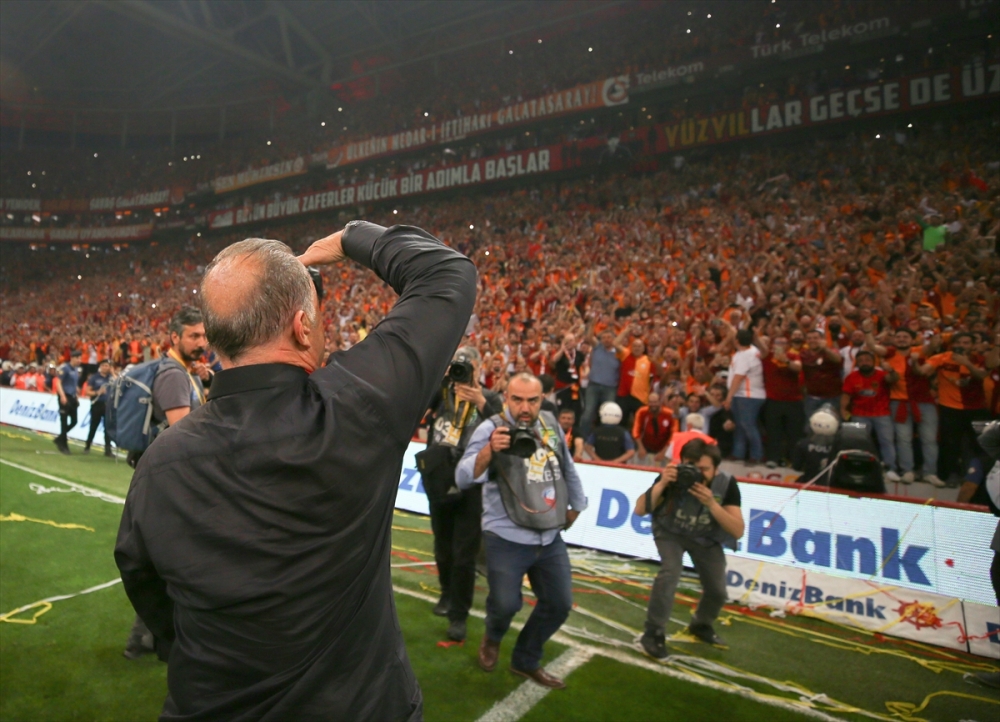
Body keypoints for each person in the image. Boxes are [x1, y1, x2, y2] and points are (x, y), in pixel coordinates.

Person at [115, 221, 476, 721]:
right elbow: (447, 274)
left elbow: (143, 579)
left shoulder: (161, 461)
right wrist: (351, 237)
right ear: (302, 326)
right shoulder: (357, 407)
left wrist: (194, 652)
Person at [456, 372, 588, 690]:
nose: (524, 407)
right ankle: (493, 638)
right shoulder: (491, 427)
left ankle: (526, 660)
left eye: (532, 399)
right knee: (504, 605)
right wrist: (490, 449)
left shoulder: (550, 425)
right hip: (506, 535)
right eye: (517, 399)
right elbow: (462, 476)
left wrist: (576, 505)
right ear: (505, 398)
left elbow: (566, 465)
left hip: (548, 533)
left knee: (558, 603)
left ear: (542, 399)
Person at [635, 438, 744, 658]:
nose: (697, 474)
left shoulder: (726, 484)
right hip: (670, 532)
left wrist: (712, 503)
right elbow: (640, 510)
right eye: (691, 466)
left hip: (705, 538)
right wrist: (662, 484)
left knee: (717, 590)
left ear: (716, 469)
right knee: (670, 573)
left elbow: (737, 530)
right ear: (682, 462)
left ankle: (701, 624)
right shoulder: (674, 476)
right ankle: (653, 632)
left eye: (704, 469)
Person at [422, 346, 502, 643]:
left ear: (478, 370)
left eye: (466, 368)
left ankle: (459, 615)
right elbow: (417, 407)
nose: (461, 374)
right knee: (442, 545)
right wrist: (438, 378)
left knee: (464, 554)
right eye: (457, 367)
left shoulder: (490, 398)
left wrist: (481, 401)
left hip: (472, 483)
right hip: (440, 478)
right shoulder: (441, 393)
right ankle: (445, 594)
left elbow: (504, 428)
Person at [919, 333, 992, 484]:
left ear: (972, 345)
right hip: (949, 407)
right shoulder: (942, 357)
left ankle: (983, 477)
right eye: (958, 342)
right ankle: (950, 475)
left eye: (966, 343)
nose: (962, 345)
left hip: (976, 408)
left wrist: (967, 363)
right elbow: (924, 371)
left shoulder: (980, 359)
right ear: (952, 345)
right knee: (950, 444)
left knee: (981, 444)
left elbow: (981, 376)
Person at [841, 350, 899, 480]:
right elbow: (846, 396)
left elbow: (893, 379)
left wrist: (891, 370)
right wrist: (843, 410)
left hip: (882, 413)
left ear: (874, 362)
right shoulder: (851, 377)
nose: (864, 363)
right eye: (860, 361)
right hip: (859, 413)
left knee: (887, 441)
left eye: (867, 360)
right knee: (859, 442)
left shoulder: (882, 375)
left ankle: (890, 468)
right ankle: (859, 466)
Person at [723, 329, 766, 463]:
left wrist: (728, 397)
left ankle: (757, 455)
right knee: (740, 425)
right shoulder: (745, 351)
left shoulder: (746, 354)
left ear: (736, 340)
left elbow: (738, 378)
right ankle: (738, 452)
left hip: (748, 395)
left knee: (748, 425)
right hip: (742, 395)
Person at [761, 336, 804, 466]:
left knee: (794, 433)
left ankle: (794, 460)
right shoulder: (768, 356)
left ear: (788, 346)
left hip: (794, 401)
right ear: (773, 345)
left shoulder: (793, 356)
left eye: (784, 343)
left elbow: (798, 368)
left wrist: (785, 360)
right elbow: (758, 344)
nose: (780, 345)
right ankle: (773, 459)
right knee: (774, 432)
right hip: (773, 400)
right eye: (778, 342)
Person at [582, 329, 621, 437]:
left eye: (609, 337)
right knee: (588, 413)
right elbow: (589, 337)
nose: (606, 340)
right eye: (604, 337)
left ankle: (605, 437)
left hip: (610, 388)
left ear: (614, 339)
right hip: (593, 385)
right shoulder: (597, 347)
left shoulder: (619, 352)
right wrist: (593, 322)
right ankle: (583, 438)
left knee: (608, 414)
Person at [800, 329, 844, 421]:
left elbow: (838, 359)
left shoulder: (831, 350)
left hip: (832, 397)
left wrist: (825, 349)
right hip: (812, 397)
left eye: (815, 338)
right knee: (811, 425)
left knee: (833, 426)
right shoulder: (804, 354)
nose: (812, 340)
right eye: (809, 338)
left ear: (822, 339)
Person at [632, 392, 674, 466]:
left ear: (659, 402)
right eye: (650, 402)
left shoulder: (670, 414)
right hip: (645, 445)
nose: (653, 404)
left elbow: (674, 435)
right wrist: (640, 447)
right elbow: (636, 431)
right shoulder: (642, 411)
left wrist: (664, 452)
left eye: (655, 402)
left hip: (663, 447)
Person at [53, 350, 82, 454]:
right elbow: (58, 382)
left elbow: (73, 384)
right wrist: (62, 395)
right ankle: (63, 444)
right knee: (64, 421)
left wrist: (76, 395)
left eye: (80, 358)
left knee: (74, 421)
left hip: (72, 397)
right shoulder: (65, 368)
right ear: (72, 358)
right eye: (77, 358)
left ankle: (60, 437)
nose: (79, 360)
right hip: (65, 396)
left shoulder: (75, 370)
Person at [83, 359, 113, 456]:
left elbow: (118, 383)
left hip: (108, 405)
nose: (105, 367)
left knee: (108, 428)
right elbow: (87, 391)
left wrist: (113, 373)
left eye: (107, 366)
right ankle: (87, 446)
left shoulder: (111, 378)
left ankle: (108, 450)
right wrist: (97, 392)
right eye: (104, 365)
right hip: (97, 404)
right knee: (93, 426)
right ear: (100, 366)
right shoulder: (94, 378)